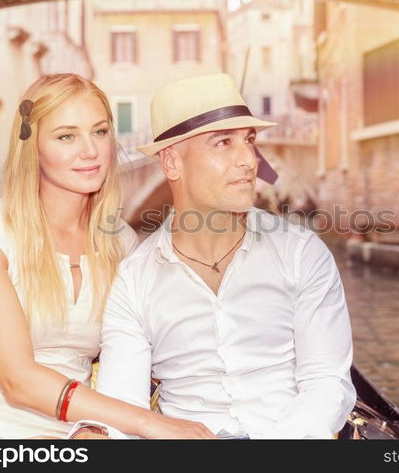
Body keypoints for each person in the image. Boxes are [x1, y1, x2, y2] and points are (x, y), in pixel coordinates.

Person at [0, 73, 213, 439]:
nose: (90, 151)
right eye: (66, 136)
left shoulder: (122, 244)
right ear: (33, 147)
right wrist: (150, 423)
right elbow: (18, 381)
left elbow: (144, 356)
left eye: (100, 131)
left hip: (77, 428)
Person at [96, 73, 356, 439]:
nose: (249, 161)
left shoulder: (301, 253)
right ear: (171, 163)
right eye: (223, 143)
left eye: (249, 141)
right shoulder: (134, 279)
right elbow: (122, 405)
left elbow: (326, 383)